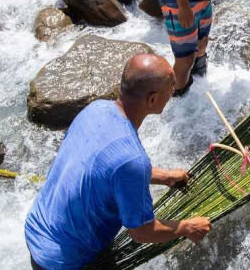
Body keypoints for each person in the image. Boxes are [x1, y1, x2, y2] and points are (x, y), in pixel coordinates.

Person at [24, 54, 212, 269]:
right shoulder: (132, 160)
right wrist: (187, 227)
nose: (172, 92)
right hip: (63, 260)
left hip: (37, 228)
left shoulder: (95, 110)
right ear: (152, 99)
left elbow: (104, 166)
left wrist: (164, 176)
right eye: (170, 89)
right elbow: (141, 232)